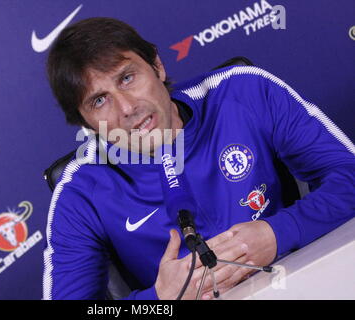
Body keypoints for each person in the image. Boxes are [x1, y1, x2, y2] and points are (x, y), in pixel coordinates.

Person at [42, 17, 355, 300]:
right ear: (85, 123)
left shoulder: (243, 91)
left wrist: (280, 232)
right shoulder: (79, 191)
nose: (126, 108)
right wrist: (160, 299)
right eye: (99, 100)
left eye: (127, 78)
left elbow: (350, 174)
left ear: (157, 66)